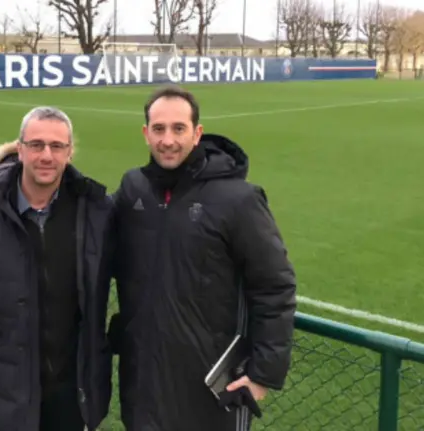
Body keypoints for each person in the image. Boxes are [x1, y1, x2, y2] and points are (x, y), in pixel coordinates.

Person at [107, 85, 298, 431]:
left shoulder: (239, 199)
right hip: (143, 382)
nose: (168, 140)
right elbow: (89, 226)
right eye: (159, 129)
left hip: (209, 389)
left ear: (197, 133)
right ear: (146, 133)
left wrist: (262, 374)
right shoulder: (134, 187)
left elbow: (275, 285)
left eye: (178, 128)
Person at [0, 106, 115, 431]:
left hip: (70, 394)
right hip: (4, 389)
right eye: (36, 145)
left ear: (69, 153)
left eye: (57, 146)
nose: (46, 155)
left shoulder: (93, 210)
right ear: (20, 150)